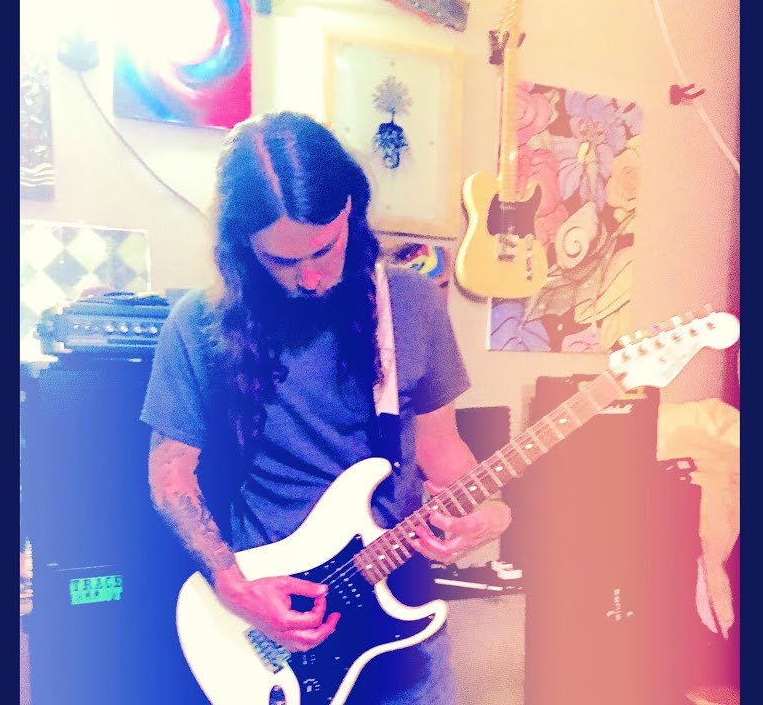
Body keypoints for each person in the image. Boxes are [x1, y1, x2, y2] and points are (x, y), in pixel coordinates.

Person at [140, 111, 512, 704]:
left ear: (350, 212)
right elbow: (170, 474)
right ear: (242, 248)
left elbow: (442, 449)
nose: (310, 278)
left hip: (403, 617)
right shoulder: (197, 325)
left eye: (324, 249)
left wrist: (491, 513)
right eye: (281, 262)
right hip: (279, 625)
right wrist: (232, 584)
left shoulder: (413, 304)